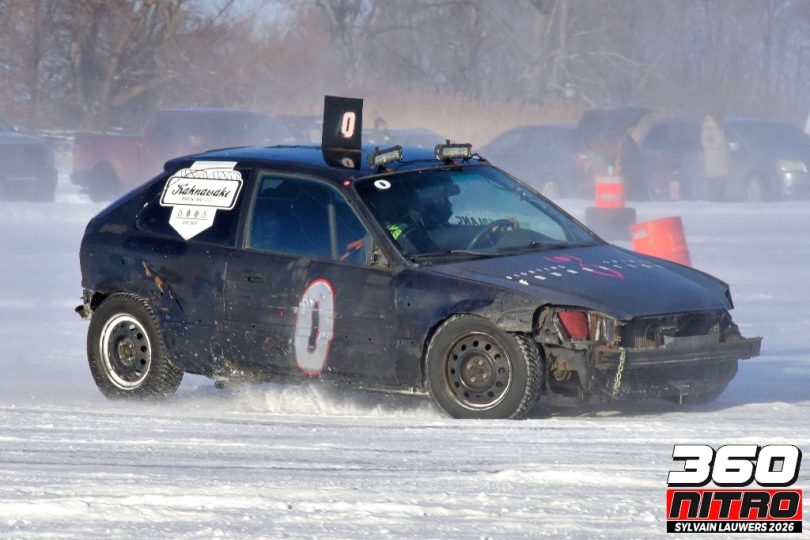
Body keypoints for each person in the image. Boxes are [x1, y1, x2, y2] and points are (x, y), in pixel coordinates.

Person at [700, 114, 729, 200]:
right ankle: (714, 197)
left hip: (721, 158)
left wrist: (726, 148)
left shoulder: (719, 128)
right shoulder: (707, 129)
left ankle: (719, 196)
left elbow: (723, 142)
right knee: (713, 178)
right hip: (712, 159)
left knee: (722, 177)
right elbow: (704, 142)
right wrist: (716, 146)